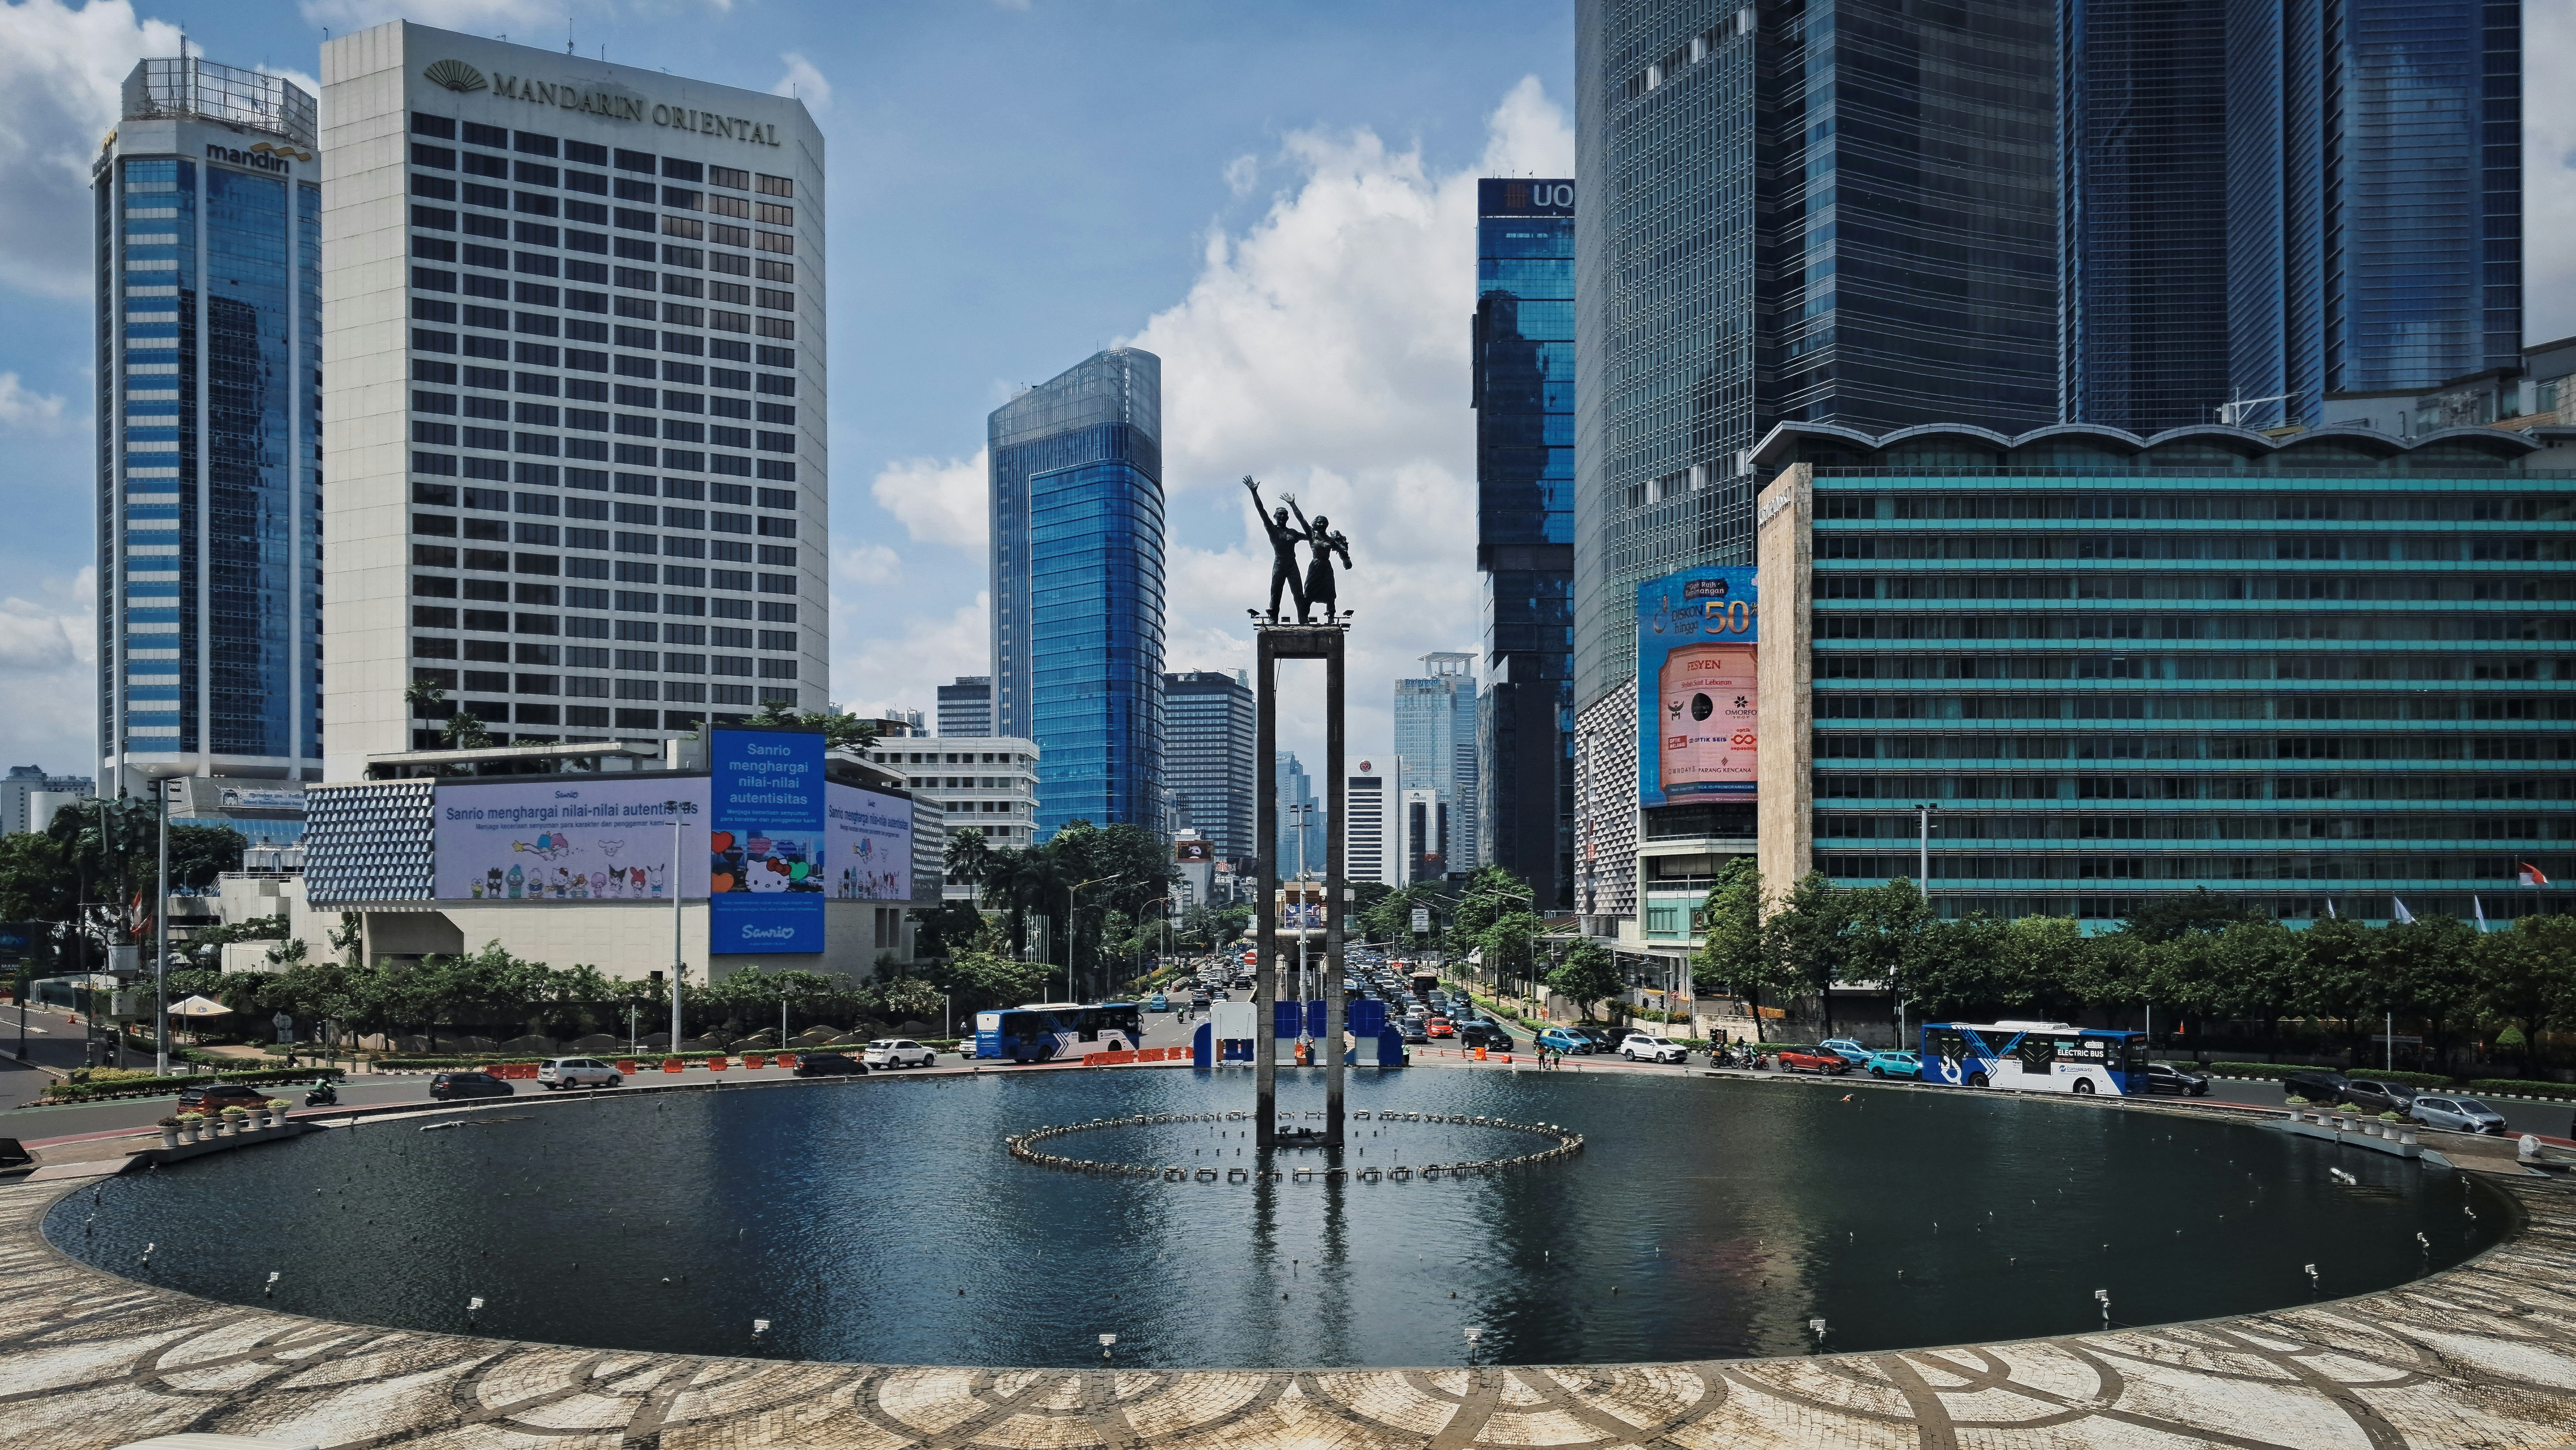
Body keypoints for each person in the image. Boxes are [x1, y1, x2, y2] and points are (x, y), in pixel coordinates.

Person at [1243, 476, 1307, 622]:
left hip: (1292, 565)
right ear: (1275, 517)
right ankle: (1273, 617)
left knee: (1298, 593)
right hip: (1279, 564)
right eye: (1280, 515)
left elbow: (1311, 536)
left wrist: (1293, 505)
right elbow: (1261, 511)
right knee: (1276, 592)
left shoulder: (1293, 533)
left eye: (1285, 515)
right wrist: (1254, 492)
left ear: (1288, 518)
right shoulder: (1273, 530)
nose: (1283, 517)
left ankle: (1303, 618)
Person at [1285, 496, 1353, 624]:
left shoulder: (1330, 540)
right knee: (1309, 592)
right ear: (1315, 525)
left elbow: (1342, 551)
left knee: (1330, 593)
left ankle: (1331, 617)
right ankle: (1304, 617)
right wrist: (1292, 504)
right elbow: (1301, 519)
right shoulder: (1312, 536)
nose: (1321, 525)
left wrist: (1346, 561)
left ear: (1327, 525)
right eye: (1319, 523)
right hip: (1315, 566)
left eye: (1324, 523)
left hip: (1326, 567)